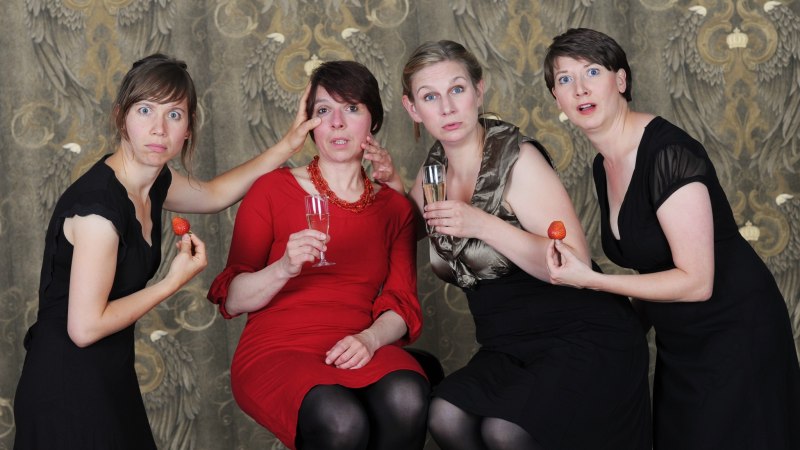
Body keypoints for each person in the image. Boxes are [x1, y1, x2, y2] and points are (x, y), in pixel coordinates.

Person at [12, 53, 323, 450]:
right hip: (64, 388)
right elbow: (84, 328)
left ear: (189, 128)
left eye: (174, 115)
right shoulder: (99, 212)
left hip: (108, 378)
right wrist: (172, 282)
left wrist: (288, 144)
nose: (158, 129)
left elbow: (213, 194)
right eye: (145, 110)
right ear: (121, 115)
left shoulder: (152, 181)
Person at [544, 28, 800, 450]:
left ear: (621, 81)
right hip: (680, 343)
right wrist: (608, 332)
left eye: (593, 71)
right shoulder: (602, 165)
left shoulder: (668, 153)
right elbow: (654, 268)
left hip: (736, 333)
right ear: (556, 97)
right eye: (565, 79)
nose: (581, 88)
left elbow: (696, 282)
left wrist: (591, 280)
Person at [395, 39, 651, 450]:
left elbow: (574, 261)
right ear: (413, 108)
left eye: (457, 89)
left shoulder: (516, 159)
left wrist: (482, 224)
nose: (447, 107)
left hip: (582, 334)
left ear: (479, 90)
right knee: (445, 412)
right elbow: (393, 233)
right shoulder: (431, 177)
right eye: (430, 96)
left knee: (504, 430)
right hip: (508, 345)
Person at [206, 60, 429, 450]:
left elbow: (402, 303)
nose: (337, 123)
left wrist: (370, 339)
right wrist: (283, 268)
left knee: (407, 397)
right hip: (279, 347)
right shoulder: (271, 190)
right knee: (342, 421)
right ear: (310, 124)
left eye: (352, 108)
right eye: (324, 110)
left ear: (372, 120)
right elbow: (233, 299)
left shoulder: (395, 208)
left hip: (357, 342)